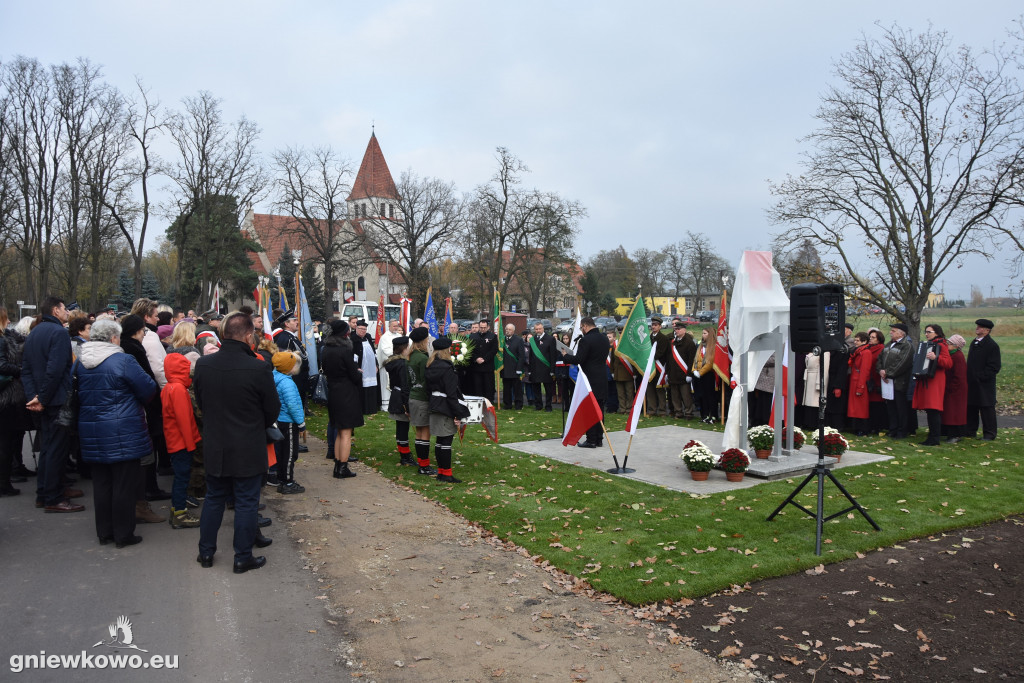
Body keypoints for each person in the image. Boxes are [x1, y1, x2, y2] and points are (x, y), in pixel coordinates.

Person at [194, 312, 280, 573]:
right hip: (247, 443)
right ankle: (242, 556)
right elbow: (272, 410)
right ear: (248, 336)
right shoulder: (258, 367)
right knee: (245, 501)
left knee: (214, 498)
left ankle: (206, 552)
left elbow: (201, 402)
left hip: (216, 442)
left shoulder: (204, 365)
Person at [77, 318, 158, 546]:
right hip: (123, 430)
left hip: (91, 429)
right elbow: (148, 388)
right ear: (114, 338)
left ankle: (105, 532)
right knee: (124, 484)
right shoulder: (123, 360)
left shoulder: (80, 361)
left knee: (102, 484)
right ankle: (123, 534)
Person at [22, 296, 84, 513]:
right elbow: (56, 369)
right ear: (55, 310)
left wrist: (34, 397)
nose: (67, 312)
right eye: (64, 309)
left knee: (48, 448)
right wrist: (43, 398)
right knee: (56, 449)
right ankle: (53, 497)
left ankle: (45, 491)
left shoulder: (35, 332)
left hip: (42, 399)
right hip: (55, 400)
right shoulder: (58, 333)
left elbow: (26, 369)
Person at [119, 314, 169, 522]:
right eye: (143, 330)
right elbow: (144, 380)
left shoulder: (126, 348)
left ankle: (147, 491)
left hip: (128, 411)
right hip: (140, 409)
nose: (145, 333)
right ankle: (145, 495)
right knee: (146, 452)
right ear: (137, 330)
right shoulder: (132, 350)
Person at [161, 352, 202, 528]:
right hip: (182, 442)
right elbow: (184, 419)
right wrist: (191, 443)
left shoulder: (168, 387)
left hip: (174, 440)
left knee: (181, 476)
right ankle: (180, 512)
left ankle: (177, 510)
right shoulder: (178, 389)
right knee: (182, 477)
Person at [425, 336, 470, 483]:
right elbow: (451, 394)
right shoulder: (447, 368)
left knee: (440, 441)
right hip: (445, 406)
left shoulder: (431, 365)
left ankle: (441, 472)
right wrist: (458, 413)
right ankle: (446, 474)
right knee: (446, 441)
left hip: (434, 403)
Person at [561, 318, 611, 448]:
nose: (582, 330)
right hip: (601, 376)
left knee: (589, 409)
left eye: (582, 328)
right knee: (599, 409)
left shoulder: (586, 340)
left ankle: (591, 440)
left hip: (589, 379)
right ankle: (599, 439)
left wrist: (565, 355)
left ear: (585, 326)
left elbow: (579, 359)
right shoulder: (604, 338)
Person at [321, 320, 361, 480]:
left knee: (339, 430)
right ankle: (342, 467)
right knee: (345, 432)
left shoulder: (326, 349)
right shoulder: (344, 350)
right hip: (346, 392)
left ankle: (338, 465)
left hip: (333, 390)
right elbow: (353, 374)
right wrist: (358, 373)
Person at [0, 307, 31, 496]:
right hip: (6, 397)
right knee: (5, 442)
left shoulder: (6, 338)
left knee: (7, 441)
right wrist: (20, 370)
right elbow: (2, 365)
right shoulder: (2, 340)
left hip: (7, 395)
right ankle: (3, 483)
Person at [271, 351, 306, 493]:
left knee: (283, 452)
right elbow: (293, 405)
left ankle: (282, 477)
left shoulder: (276, 377)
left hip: (280, 420)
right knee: (290, 453)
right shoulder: (287, 383)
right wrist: (301, 422)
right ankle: (287, 482)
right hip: (289, 422)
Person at [912, 324, 953, 446]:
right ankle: (932, 436)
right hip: (927, 381)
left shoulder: (941, 345)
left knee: (933, 409)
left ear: (936, 333)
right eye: (926, 332)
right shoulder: (928, 344)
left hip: (935, 381)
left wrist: (936, 358)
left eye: (929, 332)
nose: (926, 334)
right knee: (930, 409)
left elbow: (948, 363)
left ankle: (934, 437)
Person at [877, 323, 915, 439]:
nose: (891, 332)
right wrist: (880, 370)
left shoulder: (906, 346)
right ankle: (893, 429)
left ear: (901, 333)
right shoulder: (889, 344)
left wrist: (888, 373)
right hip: (887, 382)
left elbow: (902, 363)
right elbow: (879, 359)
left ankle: (902, 431)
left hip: (899, 382)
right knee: (891, 407)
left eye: (893, 331)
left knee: (901, 408)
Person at [965, 318, 1001, 441]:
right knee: (971, 407)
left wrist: (981, 377)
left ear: (987, 330)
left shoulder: (992, 345)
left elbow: (994, 366)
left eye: (980, 327)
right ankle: (970, 430)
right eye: (977, 326)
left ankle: (989, 433)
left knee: (987, 409)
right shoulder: (974, 342)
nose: (977, 328)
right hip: (971, 382)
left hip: (984, 384)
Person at [407, 327, 436, 475]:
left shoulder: (411, 356)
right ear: (424, 340)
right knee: (425, 431)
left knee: (419, 431)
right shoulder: (423, 358)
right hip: (422, 397)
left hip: (413, 395)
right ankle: (424, 466)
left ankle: (422, 463)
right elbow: (427, 380)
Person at [384, 336, 414, 466]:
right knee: (403, 428)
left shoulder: (393, 362)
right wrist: (407, 406)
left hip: (396, 395)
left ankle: (404, 454)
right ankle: (405, 456)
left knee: (401, 428)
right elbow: (404, 385)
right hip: (401, 397)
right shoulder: (402, 364)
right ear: (404, 348)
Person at [942, 334, 969, 444]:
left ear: (956, 346)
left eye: (950, 343)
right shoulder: (951, 355)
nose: (948, 345)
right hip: (951, 388)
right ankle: (950, 433)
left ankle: (955, 435)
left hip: (956, 390)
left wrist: (950, 387)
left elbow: (959, 375)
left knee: (954, 413)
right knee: (949, 413)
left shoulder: (958, 357)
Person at [667, 320, 696, 419]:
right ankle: (678, 412)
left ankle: (688, 413)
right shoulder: (673, 342)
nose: (676, 331)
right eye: (675, 329)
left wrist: (689, 374)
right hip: (673, 374)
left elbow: (691, 360)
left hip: (684, 374)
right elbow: (669, 358)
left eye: (678, 329)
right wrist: (667, 372)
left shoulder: (689, 343)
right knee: (675, 396)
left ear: (684, 330)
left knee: (686, 396)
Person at [846, 332, 873, 435]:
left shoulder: (866, 353)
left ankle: (862, 428)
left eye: (857, 340)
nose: (855, 342)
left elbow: (865, 371)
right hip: (854, 381)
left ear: (864, 341)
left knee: (861, 407)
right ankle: (856, 427)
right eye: (855, 340)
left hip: (859, 382)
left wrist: (860, 387)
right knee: (855, 406)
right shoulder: (858, 351)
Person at [526, 322, 555, 411]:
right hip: (535, 368)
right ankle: (538, 405)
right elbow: (530, 355)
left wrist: (552, 369)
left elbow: (553, 355)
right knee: (536, 389)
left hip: (546, 368)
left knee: (548, 389)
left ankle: (548, 406)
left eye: (539, 329)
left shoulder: (550, 339)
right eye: (536, 329)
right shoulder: (533, 340)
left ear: (543, 329)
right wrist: (530, 369)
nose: (538, 331)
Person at [353, 320, 380, 415]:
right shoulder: (353, 339)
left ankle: (372, 407)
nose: (363, 331)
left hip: (371, 367)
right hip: (361, 367)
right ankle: (363, 408)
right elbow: (353, 355)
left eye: (364, 329)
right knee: (362, 388)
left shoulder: (368, 337)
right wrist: (356, 367)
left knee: (372, 387)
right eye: (361, 329)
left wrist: (376, 364)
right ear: (356, 328)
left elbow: (373, 352)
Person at [646, 317, 671, 416]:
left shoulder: (663, 338)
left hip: (659, 366)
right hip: (650, 367)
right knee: (650, 389)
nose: (653, 327)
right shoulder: (648, 338)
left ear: (660, 326)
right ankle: (652, 409)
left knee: (660, 389)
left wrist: (650, 358)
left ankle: (662, 410)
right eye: (652, 325)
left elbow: (661, 352)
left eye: (656, 325)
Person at [691, 328, 717, 423]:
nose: (703, 335)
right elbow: (695, 359)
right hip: (698, 375)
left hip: (708, 375)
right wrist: (694, 370)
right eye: (702, 333)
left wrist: (701, 372)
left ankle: (712, 416)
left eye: (705, 333)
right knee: (701, 396)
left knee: (710, 396)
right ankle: (704, 415)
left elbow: (710, 362)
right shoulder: (700, 346)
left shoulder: (713, 347)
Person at [800, 348, 830, 430]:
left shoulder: (825, 352)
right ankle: (807, 422)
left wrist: (820, 384)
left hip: (816, 378)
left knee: (815, 402)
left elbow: (824, 368)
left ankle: (814, 424)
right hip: (809, 378)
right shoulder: (813, 350)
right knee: (809, 402)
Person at [470, 318, 498, 401]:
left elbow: (494, 350)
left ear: (488, 327)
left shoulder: (493, 336)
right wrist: (476, 358)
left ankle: (489, 402)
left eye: (484, 327)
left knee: (488, 386)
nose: (483, 329)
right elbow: (470, 349)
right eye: (481, 327)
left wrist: (484, 359)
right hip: (476, 366)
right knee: (477, 386)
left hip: (487, 366)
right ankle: (478, 402)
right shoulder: (472, 336)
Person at [866, 329, 887, 434]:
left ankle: (877, 426)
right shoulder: (868, 349)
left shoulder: (881, 349)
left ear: (879, 339)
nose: (870, 339)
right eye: (870, 337)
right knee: (870, 404)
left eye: (873, 337)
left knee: (877, 405)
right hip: (869, 379)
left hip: (877, 380)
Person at [501, 323, 526, 409]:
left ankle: (518, 404)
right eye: (507, 329)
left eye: (510, 329)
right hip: (505, 368)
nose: (508, 331)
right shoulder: (502, 340)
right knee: (506, 388)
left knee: (517, 389)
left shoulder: (518, 340)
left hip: (515, 368)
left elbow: (521, 356)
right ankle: (507, 404)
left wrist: (519, 368)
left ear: (513, 331)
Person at [610, 326, 634, 414]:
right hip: (618, 373)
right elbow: (612, 359)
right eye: (619, 333)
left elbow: (634, 359)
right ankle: (622, 408)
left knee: (629, 393)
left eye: (622, 332)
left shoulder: (630, 343)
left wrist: (634, 372)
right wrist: (612, 371)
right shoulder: (615, 344)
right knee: (620, 393)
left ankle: (629, 409)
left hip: (628, 372)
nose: (621, 334)